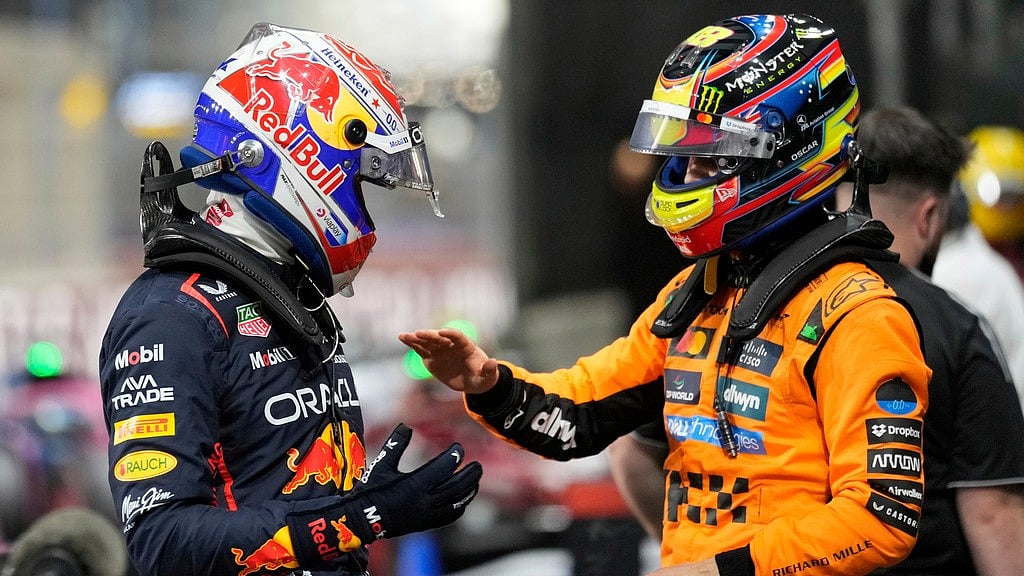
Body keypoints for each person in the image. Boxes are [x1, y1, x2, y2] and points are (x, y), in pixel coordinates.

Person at [401, 13, 932, 576]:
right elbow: (581, 412)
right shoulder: (699, 293)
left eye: (711, 154)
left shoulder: (858, 315)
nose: (686, 173)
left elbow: (881, 518)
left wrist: (720, 571)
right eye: (684, 154)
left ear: (786, 148)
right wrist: (488, 384)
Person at [99, 23, 482, 576]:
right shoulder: (171, 317)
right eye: (357, 177)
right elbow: (162, 543)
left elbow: (276, 495)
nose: (360, 201)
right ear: (292, 151)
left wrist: (350, 506)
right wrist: (362, 517)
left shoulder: (286, 300)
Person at [610, 106, 1024, 576]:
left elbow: (630, 454)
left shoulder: (724, 297)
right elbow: (993, 514)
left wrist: (703, 562)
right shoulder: (955, 327)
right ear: (929, 218)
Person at [932, 126, 1024, 407]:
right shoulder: (977, 264)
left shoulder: (973, 271)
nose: (1007, 206)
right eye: (999, 194)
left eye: (1015, 195)